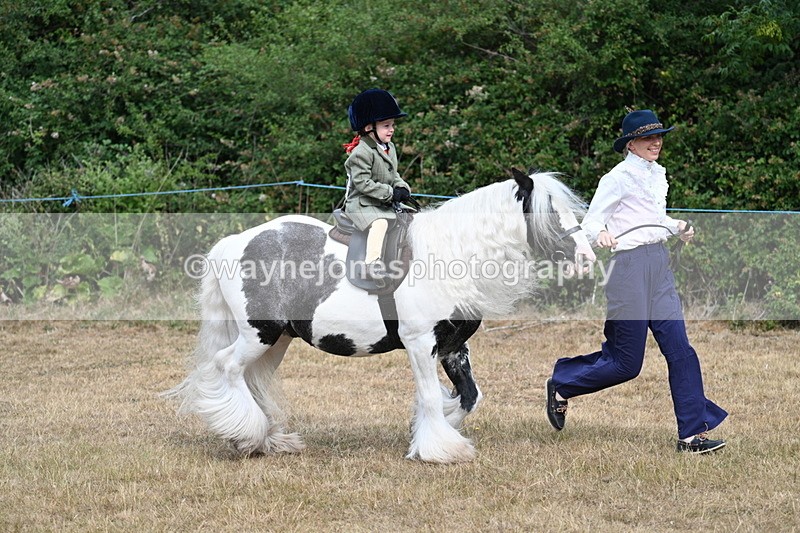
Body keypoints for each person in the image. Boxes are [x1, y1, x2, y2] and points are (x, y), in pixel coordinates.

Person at [545, 109, 728, 454]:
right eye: (648, 138)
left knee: (681, 350)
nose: (656, 142)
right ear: (631, 144)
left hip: (659, 264)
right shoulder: (616, 179)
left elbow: (652, 219)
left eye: (659, 136)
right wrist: (601, 234)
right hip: (627, 269)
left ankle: (691, 435)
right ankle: (563, 383)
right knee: (626, 364)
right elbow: (591, 223)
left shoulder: (657, 174)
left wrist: (677, 227)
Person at [343, 88, 411, 280]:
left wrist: (402, 187)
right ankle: (371, 264)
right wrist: (390, 193)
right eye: (386, 125)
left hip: (381, 200)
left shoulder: (389, 147)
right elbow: (363, 183)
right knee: (380, 223)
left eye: (392, 125)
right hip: (361, 203)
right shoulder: (361, 153)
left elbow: (393, 173)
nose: (392, 129)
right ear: (368, 128)